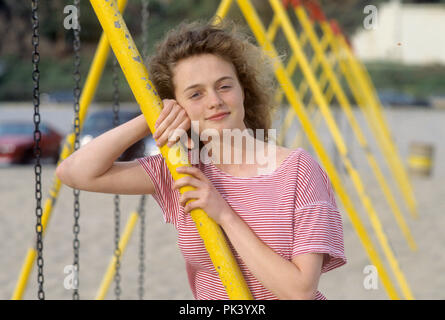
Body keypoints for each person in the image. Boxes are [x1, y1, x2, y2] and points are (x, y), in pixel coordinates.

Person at [56, 19, 346, 300]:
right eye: (195, 94)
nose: (214, 101)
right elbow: (74, 172)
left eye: (224, 86)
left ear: (243, 89)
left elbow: (301, 291)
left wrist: (224, 215)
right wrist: (150, 117)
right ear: (177, 106)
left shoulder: (296, 170)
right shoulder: (183, 169)